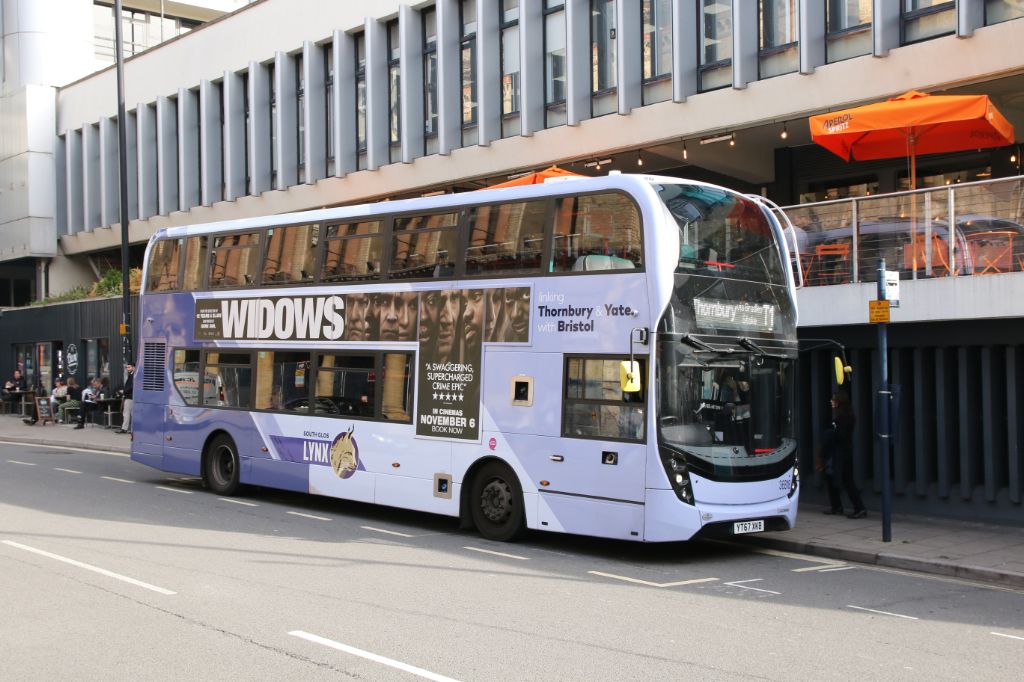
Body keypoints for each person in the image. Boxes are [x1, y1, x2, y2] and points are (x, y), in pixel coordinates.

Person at [817, 390, 867, 519]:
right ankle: (837, 506)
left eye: (833, 399)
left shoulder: (844, 417)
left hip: (841, 453)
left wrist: (831, 432)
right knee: (832, 478)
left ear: (839, 401)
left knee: (847, 480)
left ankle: (859, 508)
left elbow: (841, 435)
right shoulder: (842, 416)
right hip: (838, 452)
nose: (831, 401)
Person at [117, 363, 134, 434]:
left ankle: (124, 429)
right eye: (127, 367)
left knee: (126, 413)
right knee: (132, 413)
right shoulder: (133, 375)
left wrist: (124, 391)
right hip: (132, 397)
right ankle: (133, 429)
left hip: (129, 397)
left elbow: (131, 386)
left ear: (133, 367)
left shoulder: (132, 376)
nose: (127, 369)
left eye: (129, 367)